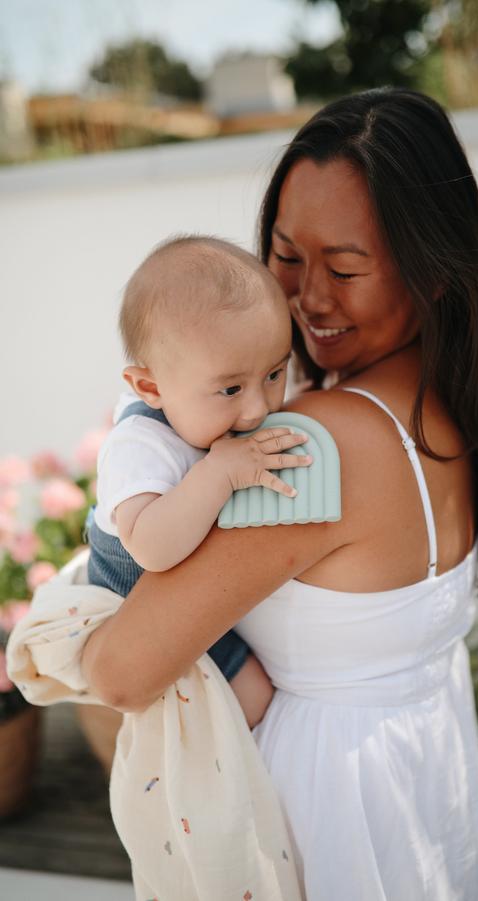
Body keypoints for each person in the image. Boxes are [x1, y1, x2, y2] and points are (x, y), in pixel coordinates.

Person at [79, 88, 478, 899]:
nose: (305, 299)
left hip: (322, 812)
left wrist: (72, 623)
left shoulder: (314, 445)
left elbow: (124, 671)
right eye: (285, 255)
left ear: (434, 271)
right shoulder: (461, 405)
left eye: (344, 268)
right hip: (413, 786)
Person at [87, 235, 313, 728]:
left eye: (275, 372)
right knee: (256, 700)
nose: (258, 408)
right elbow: (151, 547)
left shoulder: (218, 403)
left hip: (196, 600)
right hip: (139, 611)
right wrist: (219, 472)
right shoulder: (140, 447)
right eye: (231, 389)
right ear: (151, 388)